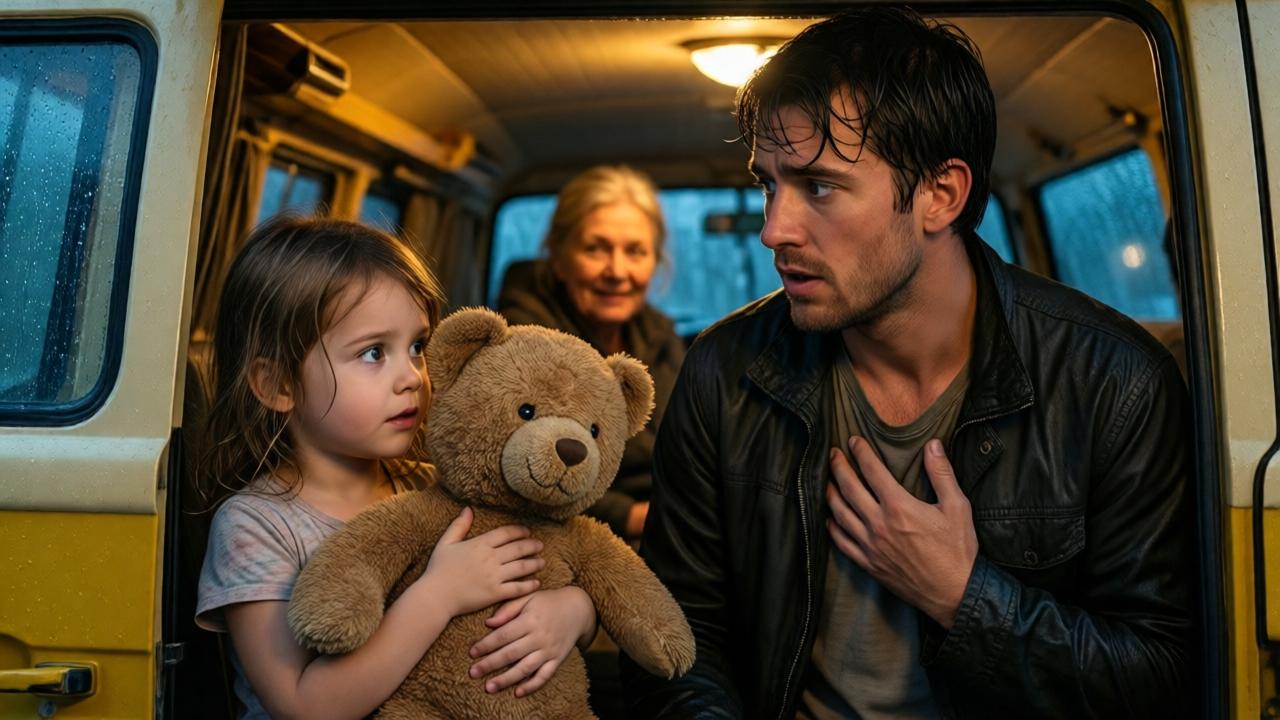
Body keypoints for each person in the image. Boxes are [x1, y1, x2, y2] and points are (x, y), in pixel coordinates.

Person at [623, 8, 1196, 719]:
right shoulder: (725, 371)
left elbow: (1160, 676)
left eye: (820, 186)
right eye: (768, 184)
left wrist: (963, 597)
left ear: (940, 194)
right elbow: (677, 637)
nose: (775, 228)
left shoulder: (1114, 383)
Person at [195, 216, 598, 719]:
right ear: (279, 384)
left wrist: (573, 613)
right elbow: (305, 706)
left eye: (417, 347)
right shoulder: (256, 525)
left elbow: (557, 565)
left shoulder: (435, 486)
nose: (411, 377)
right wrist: (439, 595)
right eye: (372, 353)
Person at [498, 164, 685, 543]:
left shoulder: (661, 337)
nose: (617, 271)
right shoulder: (524, 342)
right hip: (574, 536)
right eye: (595, 248)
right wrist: (629, 516)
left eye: (635, 252)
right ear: (559, 257)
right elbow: (520, 468)